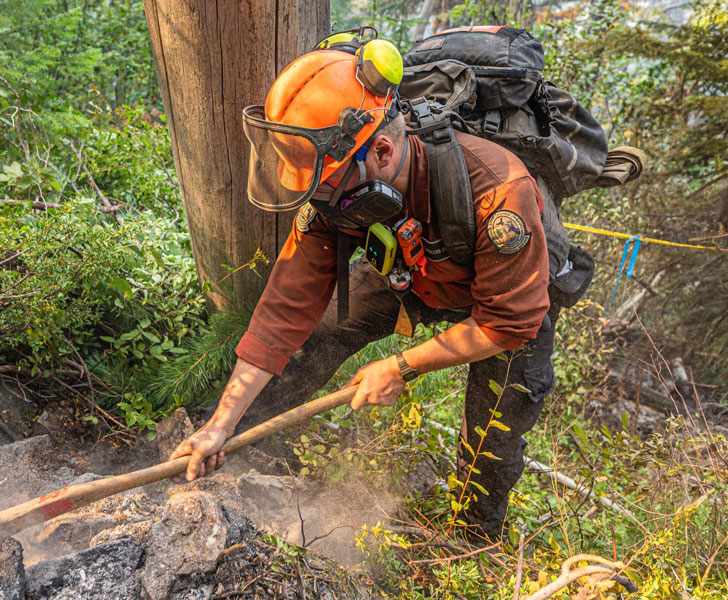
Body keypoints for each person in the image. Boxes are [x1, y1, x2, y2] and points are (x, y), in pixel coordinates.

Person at [170, 32, 557, 544]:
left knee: (494, 432)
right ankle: (232, 453)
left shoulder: (497, 188)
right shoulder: (336, 186)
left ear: (380, 149)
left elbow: (508, 321)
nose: (321, 200)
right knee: (323, 331)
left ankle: (469, 544)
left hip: (503, 307)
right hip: (414, 274)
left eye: (326, 186)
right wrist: (222, 422)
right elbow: (282, 313)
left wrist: (401, 366)